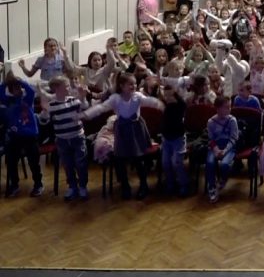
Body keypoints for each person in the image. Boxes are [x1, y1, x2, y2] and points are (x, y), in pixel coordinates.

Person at [81, 72, 165, 200]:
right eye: (130, 84)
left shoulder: (137, 96)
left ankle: (143, 186)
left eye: (135, 84)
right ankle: (125, 186)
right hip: (122, 130)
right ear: (122, 86)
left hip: (136, 129)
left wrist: (160, 104)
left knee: (138, 159)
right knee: (120, 159)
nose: (134, 86)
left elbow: (150, 101)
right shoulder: (116, 98)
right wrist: (87, 114)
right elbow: (102, 107)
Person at [39, 76, 90, 201]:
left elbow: (84, 107)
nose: (69, 88)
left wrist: (83, 97)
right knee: (68, 164)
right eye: (66, 86)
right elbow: (43, 121)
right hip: (62, 140)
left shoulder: (73, 100)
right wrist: (45, 110)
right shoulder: (52, 105)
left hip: (77, 137)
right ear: (57, 89)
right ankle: (72, 186)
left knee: (80, 163)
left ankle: (82, 186)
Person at [0, 72, 43, 198]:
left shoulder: (27, 99)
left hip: (30, 136)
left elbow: (30, 90)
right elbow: (0, 92)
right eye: (14, 88)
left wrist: (20, 81)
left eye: (19, 88)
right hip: (15, 136)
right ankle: (15, 185)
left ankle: (38, 184)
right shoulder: (8, 101)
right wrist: (6, 83)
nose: (17, 90)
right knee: (12, 161)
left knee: (33, 161)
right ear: (11, 90)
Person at [205, 96, 239, 203]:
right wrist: (216, 150)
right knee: (209, 162)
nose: (229, 109)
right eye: (226, 107)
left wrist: (224, 151)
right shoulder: (211, 122)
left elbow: (234, 138)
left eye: (229, 107)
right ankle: (211, 187)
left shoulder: (232, 120)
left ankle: (223, 179)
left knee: (225, 164)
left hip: (229, 146)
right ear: (218, 108)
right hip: (215, 146)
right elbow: (210, 139)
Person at [160, 85, 189, 197]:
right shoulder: (164, 105)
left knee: (176, 162)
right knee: (165, 163)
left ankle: (183, 184)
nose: (168, 97)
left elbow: (183, 104)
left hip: (178, 138)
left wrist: (175, 94)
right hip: (166, 138)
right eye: (166, 95)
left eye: (170, 95)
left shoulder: (179, 106)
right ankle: (170, 183)